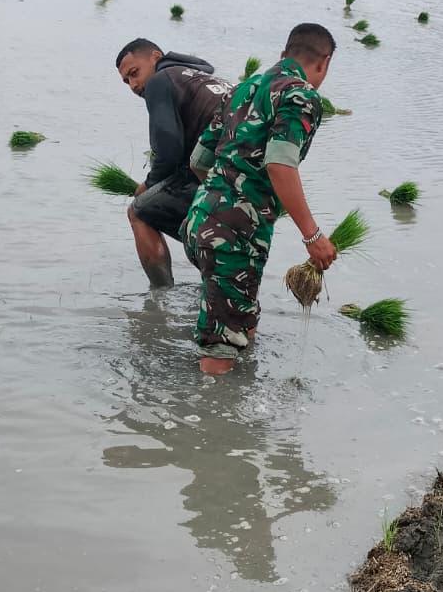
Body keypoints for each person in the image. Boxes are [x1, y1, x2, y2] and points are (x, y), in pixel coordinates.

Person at [181, 23, 337, 376]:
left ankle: (240, 401)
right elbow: (281, 164)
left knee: (242, 322)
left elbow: (199, 161)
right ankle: (210, 422)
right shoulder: (301, 96)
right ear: (324, 62)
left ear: (285, 54)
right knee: (219, 351)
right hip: (231, 240)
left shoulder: (241, 89)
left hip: (197, 221)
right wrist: (313, 237)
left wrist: (225, 203)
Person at [114, 39, 232, 288]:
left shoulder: (160, 80)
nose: (134, 85)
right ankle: (217, 289)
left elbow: (167, 149)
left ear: (155, 57)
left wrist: (148, 185)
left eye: (134, 73)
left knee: (138, 211)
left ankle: (159, 299)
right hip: (250, 172)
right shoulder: (200, 78)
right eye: (126, 81)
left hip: (222, 172)